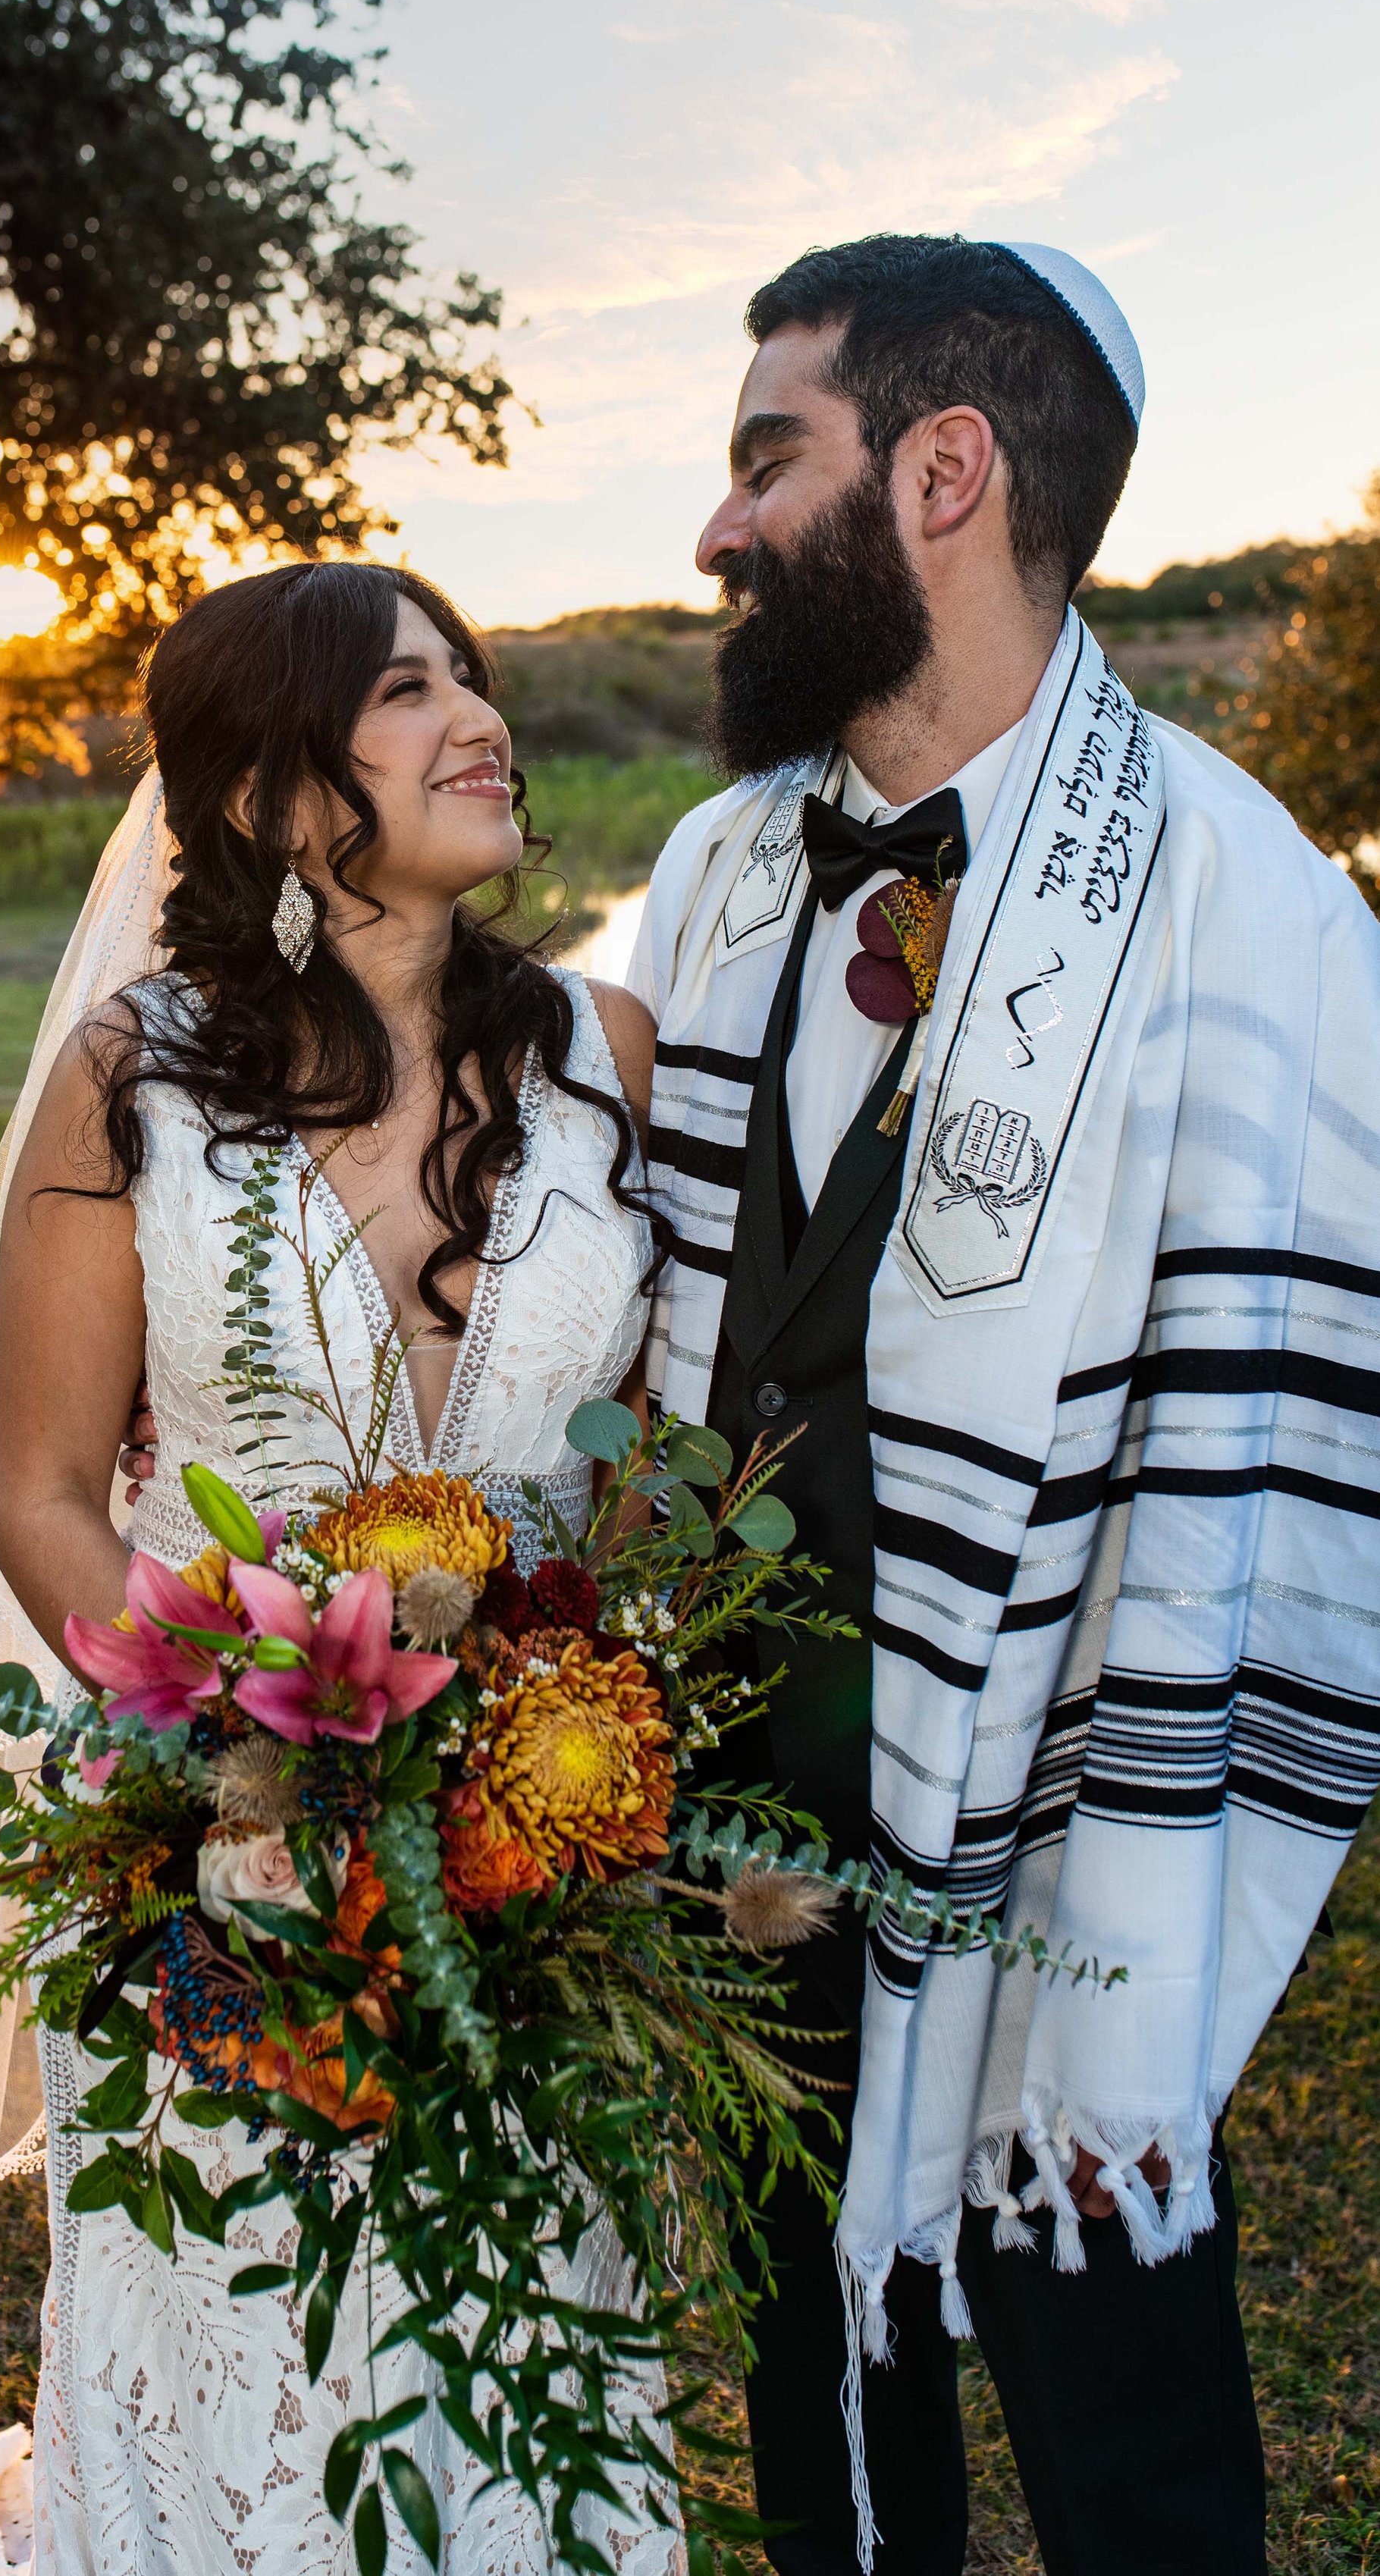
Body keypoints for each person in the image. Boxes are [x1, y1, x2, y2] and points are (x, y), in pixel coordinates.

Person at [628, 232, 1380, 2576]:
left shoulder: (1250, 910)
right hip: (742, 1799)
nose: (717, 525)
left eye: (768, 453)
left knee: (1118, 2416)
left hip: (1062, 1819)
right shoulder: (707, 867)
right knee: (806, 2378)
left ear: (940, 470)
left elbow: (1271, 1451)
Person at [0, 558, 676, 2575]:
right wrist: (230, 1755)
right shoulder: (133, 1076)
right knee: (244, 2352)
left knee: (506, 2356)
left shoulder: (609, 1047)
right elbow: (49, 1487)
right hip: (204, 1835)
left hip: (530, 1851)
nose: (478, 720)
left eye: (471, 680)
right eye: (406, 695)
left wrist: (582, 1737)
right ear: (259, 793)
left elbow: (640, 1466)